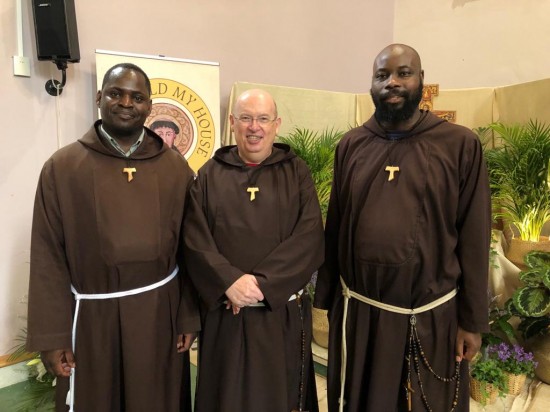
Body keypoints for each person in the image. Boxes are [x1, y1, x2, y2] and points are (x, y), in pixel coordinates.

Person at [313, 44, 491, 411]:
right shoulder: (352, 145)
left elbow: (475, 237)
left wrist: (472, 321)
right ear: (372, 85)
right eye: (382, 76)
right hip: (360, 314)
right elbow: (336, 225)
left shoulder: (459, 146)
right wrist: (328, 301)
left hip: (429, 319)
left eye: (403, 73)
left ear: (421, 81)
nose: (392, 83)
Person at [26, 63, 200, 412]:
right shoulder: (62, 168)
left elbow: (192, 249)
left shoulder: (175, 168)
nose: (126, 103)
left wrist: (188, 315)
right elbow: (48, 257)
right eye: (115, 93)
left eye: (137, 97)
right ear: (99, 98)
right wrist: (53, 336)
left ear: (149, 107)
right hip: (93, 321)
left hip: (159, 318)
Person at [183, 89, 324, 412]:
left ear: (277, 125)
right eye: (245, 118)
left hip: (280, 318)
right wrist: (229, 281)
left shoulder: (296, 172)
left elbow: (310, 237)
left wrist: (261, 284)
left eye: (262, 119)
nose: (254, 127)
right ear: (232, 123)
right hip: (225, 317)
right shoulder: (210, 174)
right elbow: (194, 239)